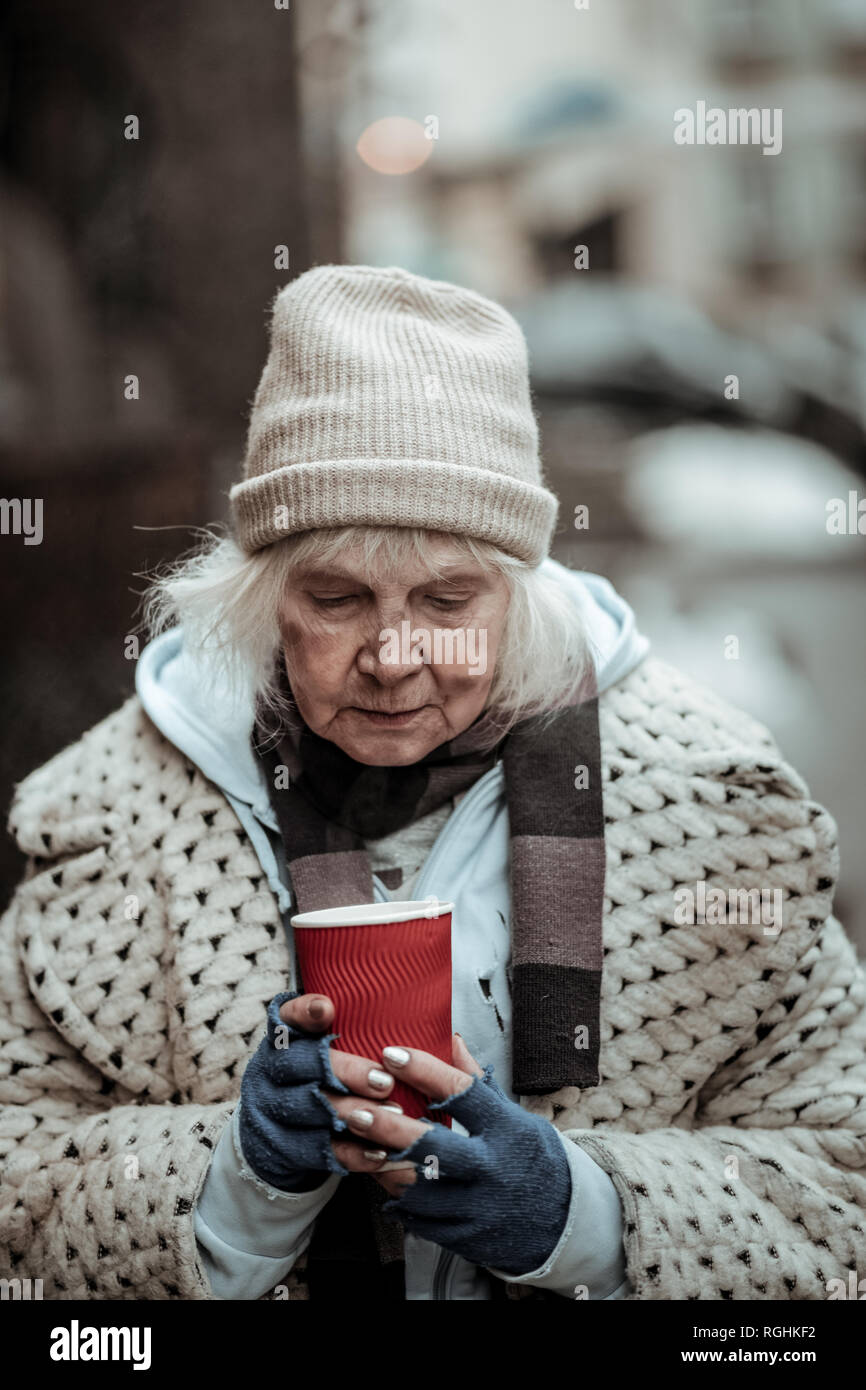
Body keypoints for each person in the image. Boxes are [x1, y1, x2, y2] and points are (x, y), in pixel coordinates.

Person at [1, 264, 864, 1303]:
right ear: (263, 600)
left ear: (519, 597)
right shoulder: (111, 812)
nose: (393, 653)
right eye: (336, 597)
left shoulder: (712, 798)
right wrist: (240, 1178)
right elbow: (22, 1187)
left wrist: (579, 1215)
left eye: (447, 599)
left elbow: (837, 1193)